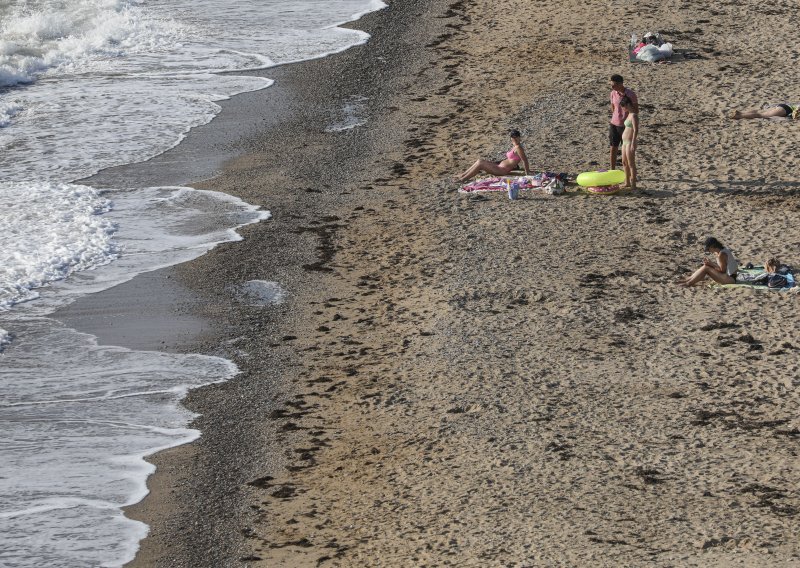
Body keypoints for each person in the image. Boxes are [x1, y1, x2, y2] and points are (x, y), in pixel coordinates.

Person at [456, 129, 531, 183]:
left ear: (519, 137)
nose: (515, 138)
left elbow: (525, 160)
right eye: (513, 137)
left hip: (501, 170)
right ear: (511, 138)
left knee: (480, 164)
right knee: (479, 161)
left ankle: (463, 179)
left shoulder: (518, 148)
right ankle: (463, 175)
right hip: (499, 166)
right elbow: (512, 160)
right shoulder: (515, 146)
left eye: (516, 136)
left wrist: (527, 174)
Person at [609, 74, 638, 170]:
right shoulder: (613, 93)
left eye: (614, 85)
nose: (612, 87)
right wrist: (616, 116)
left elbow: (636, 110)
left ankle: (627, 172)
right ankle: (612, 169)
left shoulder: (630, 94)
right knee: (613, 147)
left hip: (625, 126)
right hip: (614, 123)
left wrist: (629, 120)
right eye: (611, 85)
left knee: (625, 150)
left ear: (620, 84)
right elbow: (613, 107)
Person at [620, 96, 638, 190]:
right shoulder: (628, 114)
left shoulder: (634, 115)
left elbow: (635, 130)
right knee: (624, 162)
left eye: (623, 106)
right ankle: (627, 182)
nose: (623, 109)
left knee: (631, 163)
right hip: (624, 142)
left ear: (627, 105)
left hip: (630, 141)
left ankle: (633, 183)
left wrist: (633, 142)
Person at [729, 104, 798, 120]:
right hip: (785, 110)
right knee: (761, 115)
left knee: (760, 111)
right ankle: (740, 116)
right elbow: (796, 113)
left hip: (783, 106)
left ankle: (741, 112)